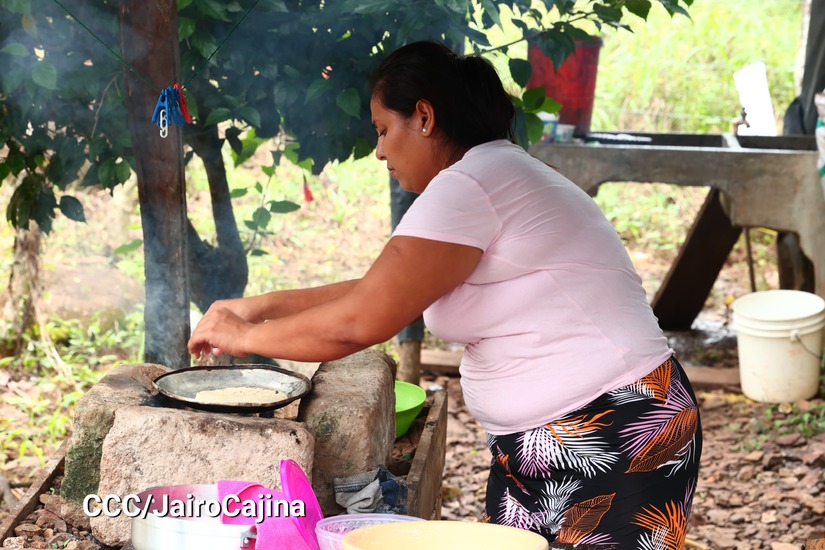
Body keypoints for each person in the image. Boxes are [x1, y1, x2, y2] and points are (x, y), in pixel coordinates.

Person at [188, 40, 702, 547]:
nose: (380, 150)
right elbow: (381, 289)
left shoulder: (471, 184)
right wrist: (257, 308)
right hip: (566, 436)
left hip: (614, 431)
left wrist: (243, 337)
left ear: (425, 117)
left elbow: (359, 323)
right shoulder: (493, 174)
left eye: (385, 130)